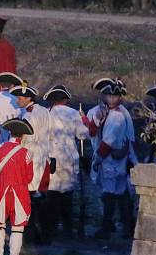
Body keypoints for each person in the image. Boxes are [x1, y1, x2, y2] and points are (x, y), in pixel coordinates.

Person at [87, 81, 135, 239]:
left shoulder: (118, 116)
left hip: (112, 160)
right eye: (109, 95)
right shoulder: (107, 113)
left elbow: (108, 141)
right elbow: (92, 132)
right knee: (119, 192)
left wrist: (98, 159)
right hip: (116, 159)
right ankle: (125, 226)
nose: (112, 99)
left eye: (115, 96)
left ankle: (108, 227)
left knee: (110, 192)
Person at [43, 85, 89, 239]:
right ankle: (68, 230)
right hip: (69, 158)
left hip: (51, 158)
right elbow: (83, 135)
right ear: (65, 99)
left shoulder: (46, 114)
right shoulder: (73, 113)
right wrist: (84, 119)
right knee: (67, 194)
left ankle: (51, 229)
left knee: (52, 193)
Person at [10, 84, 53, 245]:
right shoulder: (44, 111)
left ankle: (31, 234)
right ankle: (45, 234)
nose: (17, 100)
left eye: (20, 98)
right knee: (40, 198)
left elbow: (25, 138)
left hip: (31, 158)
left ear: (29, 98)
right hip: (43, 157)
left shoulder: (28, 116)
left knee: (29, 199)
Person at [0, 118, 35, 255]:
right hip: (20, 194)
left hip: (1, 191)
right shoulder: (26, 153)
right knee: (17, 228)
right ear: (22, 136)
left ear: (10, 133)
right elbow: (29, 178)